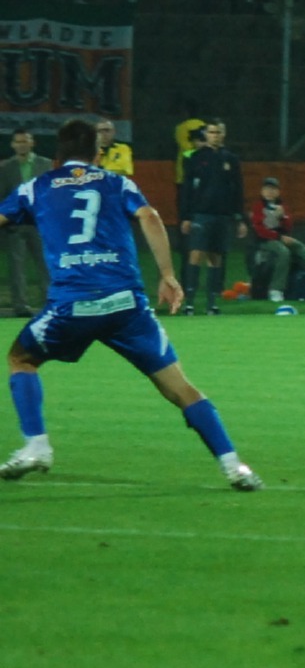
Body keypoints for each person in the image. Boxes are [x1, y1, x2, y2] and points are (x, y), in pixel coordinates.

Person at [0, 116, 261, 489]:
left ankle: (36, 446)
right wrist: (167, 275)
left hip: (73, 304)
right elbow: (149, 217)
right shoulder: (116, 182)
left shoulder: (36, 187)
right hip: (126, 305)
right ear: (97, 154)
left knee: (21, 359)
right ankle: (234, 465)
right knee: (179, 387)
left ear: (57, 157)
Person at [176, 119, 246, 316]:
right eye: (212, 132)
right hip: (201, 214)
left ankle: (212, 303)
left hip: (222, 215)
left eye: (218, 132)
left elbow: (238, 190)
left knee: (216, 257)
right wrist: (186, 217)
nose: (215, 136)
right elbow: (187, 190)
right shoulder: (195, 157)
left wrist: (239, 218)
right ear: (206, 135)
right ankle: (189, 303)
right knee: (195, 253)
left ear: (224, 134)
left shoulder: (231, 159)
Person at [4, 130, 51, 316]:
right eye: (18, 142)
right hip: (15, 226)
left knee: (45, 266)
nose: (21, 145)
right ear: (12, 145)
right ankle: (20, 306)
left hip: (40, 224)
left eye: (25, 141)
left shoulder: (46, 164)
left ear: (32, 143)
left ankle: (48, 303)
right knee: (16, 268)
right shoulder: (5, 167)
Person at [247, 177, 305, 302]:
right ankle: (276, 289)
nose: (270, 192)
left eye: (273, 189)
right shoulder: (258, 207)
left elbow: (288, 228)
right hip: (264, 240)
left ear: (278, 192)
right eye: (267, 189)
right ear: (262, 191)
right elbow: (260, 230)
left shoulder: (281, 207)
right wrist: (278, 236)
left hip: (281, 238)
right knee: (283, 252)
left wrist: (282, 217)